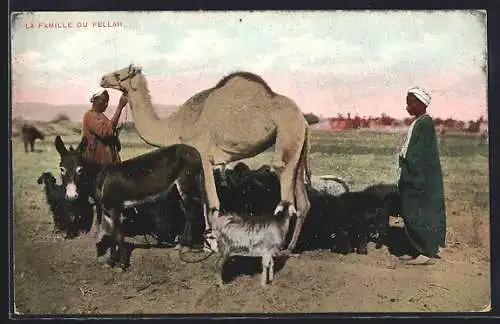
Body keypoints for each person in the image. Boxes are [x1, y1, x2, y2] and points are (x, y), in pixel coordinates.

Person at [397, 86, 447, 265]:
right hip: (415, 175)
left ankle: (426, 252)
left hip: (418, 178)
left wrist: (409, 170)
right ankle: (418, 250)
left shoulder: (424, 123)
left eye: (410, 102)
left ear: (421, 103)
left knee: (416, 213)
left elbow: (417, 154)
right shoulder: (419, 122)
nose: (407, 106)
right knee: (413, 213)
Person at [82, 89, 128, 165]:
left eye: (107, 101)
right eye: (103, 100)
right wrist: (120, 107)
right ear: (95, 100)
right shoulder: (90, 115)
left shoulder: (101, 116)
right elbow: (105, 132)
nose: (106, 104)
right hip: (98, 166)